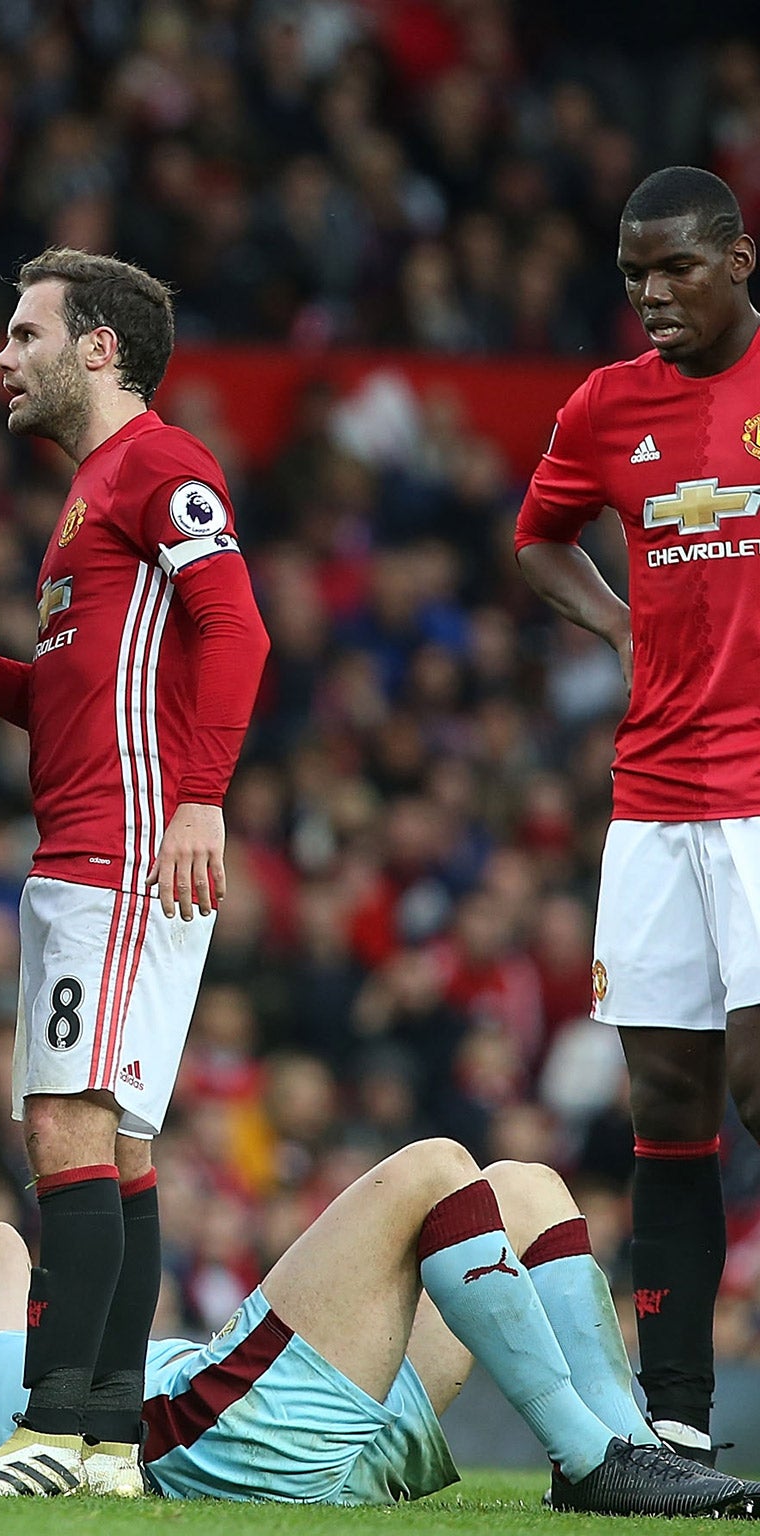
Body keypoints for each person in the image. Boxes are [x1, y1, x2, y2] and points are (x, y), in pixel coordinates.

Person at [0, 250, 268, 1495]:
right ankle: (109, 1441)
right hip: (85, 849)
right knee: (106, 1140)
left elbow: (238, 625)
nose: (1, 359)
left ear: (98, 348)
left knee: (65, 1119)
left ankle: (52, 1432)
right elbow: (69, 699)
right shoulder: (86, 498)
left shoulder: (159, 465)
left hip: (122, 853)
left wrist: (201, 800)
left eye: (24, 334)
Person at [0, 1141, 760, 1516]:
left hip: (311, 1447)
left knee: (521, 1188)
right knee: (433, 1170)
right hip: (212, 1436)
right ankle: (594, 1456)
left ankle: (621, 1456)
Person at [516, 165, 760, 1466]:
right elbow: (539, 535)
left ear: (738, 259)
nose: (653, 293)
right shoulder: (608, 407)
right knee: (667, 1096)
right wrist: (619, 624)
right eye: (633, 274)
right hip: (658, 795)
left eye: (675, 267)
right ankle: (676, 1409)